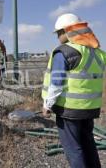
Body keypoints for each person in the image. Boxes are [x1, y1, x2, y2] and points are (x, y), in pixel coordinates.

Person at [42, 13, 106, 168]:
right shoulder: (98, 53)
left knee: (73, 148)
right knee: (88, 143)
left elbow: (56, 83)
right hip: (89, 109)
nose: (58, 37)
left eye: (59, 33)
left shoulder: (63, 52)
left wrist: (47, 105)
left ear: (67, 31)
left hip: (69, 110)